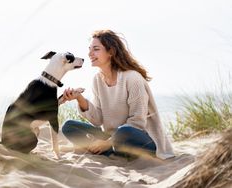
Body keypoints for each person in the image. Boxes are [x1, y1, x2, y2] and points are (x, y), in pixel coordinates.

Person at [61, 29, 175, 160]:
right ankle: (104, 148)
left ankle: (106, 147)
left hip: (140, 140)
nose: (90, 53)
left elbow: (138, 122)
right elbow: (98, 120)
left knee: (124, 130)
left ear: (111, 52)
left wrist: (108, 142)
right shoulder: (97, 79)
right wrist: (79, 98)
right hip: (112, 137)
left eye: (96, 49)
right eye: (90, 49)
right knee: (69, 126)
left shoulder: (133, 78)